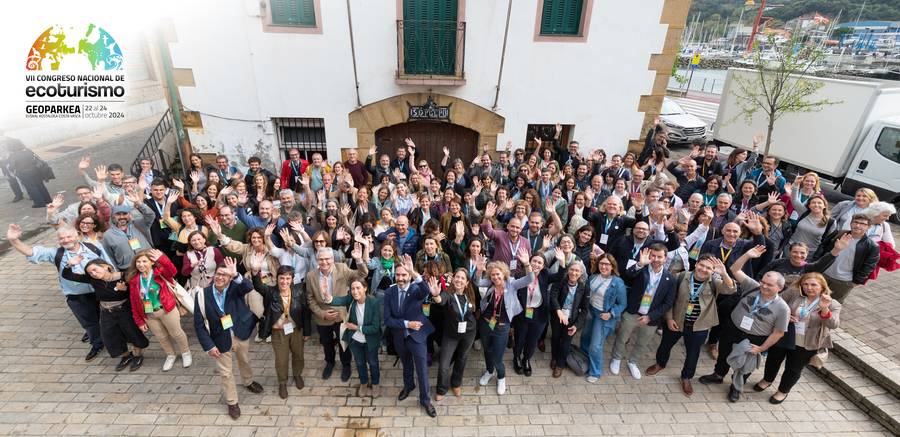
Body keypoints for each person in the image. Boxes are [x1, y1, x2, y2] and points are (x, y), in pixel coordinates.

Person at [7, 223, 107, 360]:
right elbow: (31, 252)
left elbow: (109, 265)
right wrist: (14, 240)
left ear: (77, 235)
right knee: (89, 322)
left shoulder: (94, 248)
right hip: (76, 297)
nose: (66, 240)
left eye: (69, 236)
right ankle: (97, 343)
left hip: (99, 292)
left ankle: (113, 338)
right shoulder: (56, 253)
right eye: (61, 238)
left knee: (107, 318)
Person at [698, 257, 790, 403]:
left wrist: (761, 348)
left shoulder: (783, 308)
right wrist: (747, 255)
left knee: (744, 365)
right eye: (763, 282)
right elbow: (735, 269)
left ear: (780, 288)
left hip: (754, 338)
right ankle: (718, 375)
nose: (764, 286)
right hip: (733, 328)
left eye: (769, 285)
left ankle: (736, 386)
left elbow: (778, 333)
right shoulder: (752, 286)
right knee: (724, 354)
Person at [645, 254, 735, 396]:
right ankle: (660, 364)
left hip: (699, 326)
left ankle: (686, 377)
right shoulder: (680, 277)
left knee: (693, 353)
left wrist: (724, 273)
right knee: (665, 345)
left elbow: (730, 289)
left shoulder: (714, 282)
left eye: (709, 268)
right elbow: (669, 300)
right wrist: (669, 318)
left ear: (713, 270)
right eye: (702, 265)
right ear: (696, 263)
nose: (704, 269)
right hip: (676, 322)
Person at [753, 272, 840, 404]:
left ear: (822, 287)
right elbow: (776, 301)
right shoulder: (794, 293)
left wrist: (824, 309)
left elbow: (833, 325)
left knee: (793, 368)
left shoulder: (832, 304)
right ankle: (767, 380)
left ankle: (783, 390)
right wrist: (786, 315)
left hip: (807, 342)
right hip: (786, 335)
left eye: (813, 285)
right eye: (805, 284)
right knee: (773, 359)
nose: (808, 287)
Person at [194, 257, 264, 420]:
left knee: (244, 361)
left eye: (225, 275)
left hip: (240, 332)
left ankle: (248, 381)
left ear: (230, 278)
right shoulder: (202, 295)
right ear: (214, 275)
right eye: (219, 274)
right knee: (226, 373)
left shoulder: (235, 287)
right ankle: (232, 402)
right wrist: (209, 346)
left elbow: (248, 287)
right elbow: (199, 324)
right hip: (219, 338)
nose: (220, 277)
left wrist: (236, 275)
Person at [61, 258, 150, 371]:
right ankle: (126, 356)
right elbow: (68, 275)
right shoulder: (93, 280)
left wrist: (126, 289)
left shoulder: (124, 276)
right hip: (106, 312)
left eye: (95, 269)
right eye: (90, 272)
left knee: (132, 332)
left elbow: (137, 290)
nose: (93, 273)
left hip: (124, 309)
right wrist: (69, 264)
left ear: (105, 266)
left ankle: (137, 355)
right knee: (110, 335)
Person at [610, 244, 677, 380]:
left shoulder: (670, 278)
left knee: (642, 342)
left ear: (665, 258)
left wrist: (650, 317)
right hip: (633, 312)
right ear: (649, 256)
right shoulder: (641, 269)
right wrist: (640, 264)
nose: (656, 259)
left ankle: (633, 362)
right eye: (653, 256)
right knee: (622, 337)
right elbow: (627, 275)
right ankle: (616, 358)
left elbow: (668, 303)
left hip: (651, 318)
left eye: (660, 257)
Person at [383, 255, 440, 417]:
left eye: (404, 275)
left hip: (417, 337)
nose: (400, 278)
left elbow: (426, 290)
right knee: (406, 364)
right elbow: (388, 319)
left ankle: (425, 400)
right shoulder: (389, 292)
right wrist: (407, 324)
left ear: (408, 276)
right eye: (398, 275)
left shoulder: (416, 289)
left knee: (421, 369)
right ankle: (409, 386)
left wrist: (413, 272)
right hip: (400, 336)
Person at [306, 247, 368, 381]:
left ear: (333, 259)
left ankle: (346, 365)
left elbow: (362, 274)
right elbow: (310, 299)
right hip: (323, 318)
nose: (324, 262)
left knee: (343, 343)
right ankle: (330, 362)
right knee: (327, 343)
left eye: (327, 259)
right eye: (321, 259)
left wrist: (358, 259)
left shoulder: (342, 269)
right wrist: (322, 313)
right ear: (317, 260)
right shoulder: (311, 276)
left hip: (341, 315)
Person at [475, 253, 532, 394]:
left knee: (497, 356)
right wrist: (479, 270)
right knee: (487, 350)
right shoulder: (490, 283)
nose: (495, 277)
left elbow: (530, 279)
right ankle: (489, 371)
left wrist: (526, 264)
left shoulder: (512, 283)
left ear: (504, 273)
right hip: (486, 324)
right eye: (493, 275)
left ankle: (501, 377)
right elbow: (477, 282)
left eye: (498, 274)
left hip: (502, 327)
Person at [252, 265, 312, 399]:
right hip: (278, 331)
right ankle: (282, 382)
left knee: (298, 355)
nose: (284, 282)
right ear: (277, 278)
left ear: (292, 279)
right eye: (281, 278)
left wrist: (307, 331)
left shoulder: (299, 291)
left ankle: (297, 374)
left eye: (287, 278)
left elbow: (306, 312)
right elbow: (258, 286)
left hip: (295, 330)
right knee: (281, 359)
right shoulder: (270, 292)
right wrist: (255, 273)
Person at [127, 249, 192, 371]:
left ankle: (186, 352)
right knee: (161, 336)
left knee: (176, 333)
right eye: (138, 262)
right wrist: (139, 321)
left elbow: (172, 270)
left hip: (167, 309)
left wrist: (162, 258)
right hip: (149, 313)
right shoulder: (134, 279)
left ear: (152, 262)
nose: (141, 264)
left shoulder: (159, 272)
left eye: (144, 261)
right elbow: (133, 301)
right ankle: (171, 355)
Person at [326, 277, 383, 398]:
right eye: (352, 288)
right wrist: (328, 297)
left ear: (365, 288)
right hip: (355, 341)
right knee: (360, 362)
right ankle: (363, 383)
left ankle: (376, 384)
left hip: (370, 341)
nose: (355, 291)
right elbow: (338, 300)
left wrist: (357, 327)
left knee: (373, 362)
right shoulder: (351, 299)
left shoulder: (374, 302)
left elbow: (375, 327)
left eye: (358, 288)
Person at [430, 269, 478, 399]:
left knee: (462, 359)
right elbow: (440, 300)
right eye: (457, 277)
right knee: (444, 364)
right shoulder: (448, 295)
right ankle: (441, 389)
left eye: (463, 278)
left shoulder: (471, 294)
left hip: (468, 333)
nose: (459, 280)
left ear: (467, 283)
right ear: (453, 279)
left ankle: (456, 384)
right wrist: (435, 295)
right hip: (451, 335)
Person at [810, 215, 880, 303]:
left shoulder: (872, 246)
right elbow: (823, 247)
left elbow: (869, 266)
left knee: (832, 305)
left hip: (843, 282)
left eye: (862, 224)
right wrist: (815, 265)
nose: (857, 226)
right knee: (810, 298)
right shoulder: (839, 234)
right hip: (823, 274)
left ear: (869, 227)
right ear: (851, 223)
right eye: (855, 222)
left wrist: (855, 282)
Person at [584, 254, 627, 382]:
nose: (603, 266)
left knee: (595, 345)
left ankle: (595, 372)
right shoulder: (593, 277)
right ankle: (584, 361)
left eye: (607, 264)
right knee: (585, 338)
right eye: (601, 263)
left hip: (603, 316)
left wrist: (611, 313)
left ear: (612, 266)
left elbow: (623, 304)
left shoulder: (617, 283)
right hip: (590, 311)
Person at [548, 263, 589, 378]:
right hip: (558, 317)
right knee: (555, 338)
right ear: (568, 270)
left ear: (581, 273)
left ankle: (560, 365)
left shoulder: (584, 287)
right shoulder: (561, 281)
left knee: (566, 342)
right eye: (572, 269)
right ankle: (554, 358)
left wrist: (576, 325)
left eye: (577, 271)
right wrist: (558, 310)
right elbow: (553, 295)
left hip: (572, 319)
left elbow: (585, 310)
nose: (574, 273)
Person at [513, 254, 551, 378]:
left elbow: (560, 276)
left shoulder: (546, 275)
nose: (536, 264)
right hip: (523, 313)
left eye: (540, 263)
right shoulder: (520, 275)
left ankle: (526, 359)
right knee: (520, 337)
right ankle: (517, 357)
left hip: (539, 313)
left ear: (544, 266)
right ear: (529, 261)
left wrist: (562, 262)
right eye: (534, 261)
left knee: (532, 340)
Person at [6, 138, 52, 208]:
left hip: (24, 174)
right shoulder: (28, 151)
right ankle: (48, 200)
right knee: (40, 185)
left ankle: (39, 203)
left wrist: (11, 169)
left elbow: (11, 167)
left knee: (31, 188)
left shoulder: (13, 155)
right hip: (35, 170)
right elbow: (36, 159)